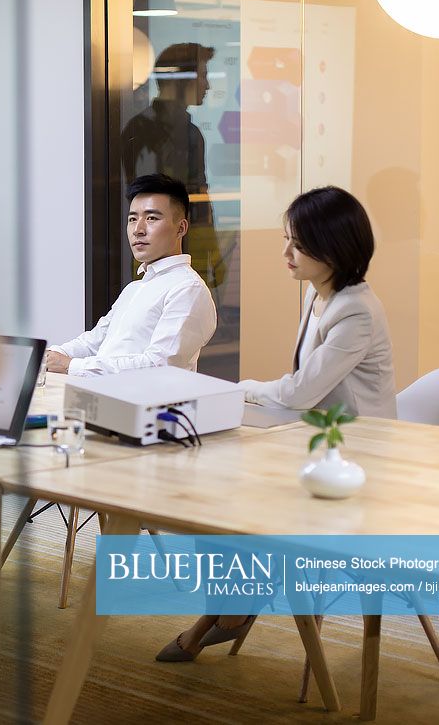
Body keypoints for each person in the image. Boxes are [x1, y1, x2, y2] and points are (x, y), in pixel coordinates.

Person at [0, 174, 217, 592]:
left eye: (152, 218)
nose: (137, 229)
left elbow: (159, 366)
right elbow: (94, 340)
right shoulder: (141, 285)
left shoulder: (188, 291)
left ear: (181, 227)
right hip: (94, 407)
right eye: (132, 218)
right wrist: (44, 356)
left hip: (130, 430)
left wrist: (73, 368)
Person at [156, 185, 395, 663]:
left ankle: (227, 611)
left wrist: (240, 388)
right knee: (214, 479)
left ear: (334, 248)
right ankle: (230, 606)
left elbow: (301, 390)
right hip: (315, 435)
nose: (285, 252)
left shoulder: (356, 311)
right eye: (287, 238)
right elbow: (301, 391)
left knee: (236, 491)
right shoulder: (319, 293)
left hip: (355, 455)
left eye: (297, 244)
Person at [122, 42, 226, 293]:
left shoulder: (190, 133)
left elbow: (199, 198)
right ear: (181, 79)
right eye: (202, 75)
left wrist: (211, 251)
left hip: (189, 253)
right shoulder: (142, 131)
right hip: (157, 262)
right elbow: (135, 202)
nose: (207, 85)